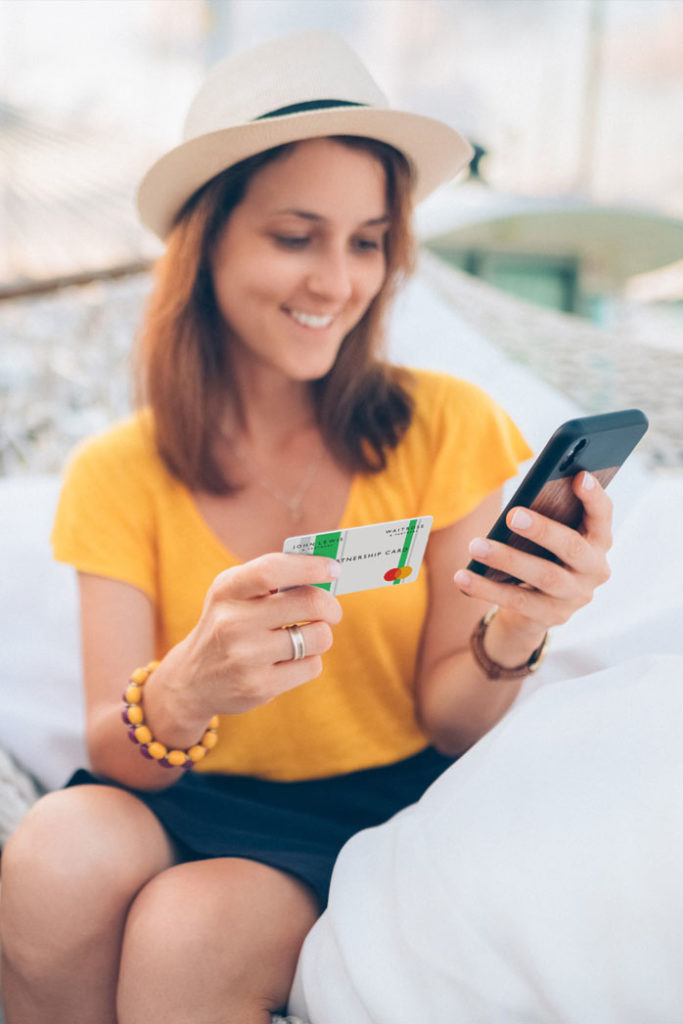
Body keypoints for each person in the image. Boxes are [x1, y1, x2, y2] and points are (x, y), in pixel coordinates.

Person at [0, 30, 613, 1024]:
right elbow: (120, 754)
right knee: (52, 851)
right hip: (180, 790)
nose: (336, 281)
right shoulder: (114, 472)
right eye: (295, 236)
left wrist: (514, 626)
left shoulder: (446, 425)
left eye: (366, 240)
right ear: (208, 244)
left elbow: (452, 718)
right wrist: (189, 680)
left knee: (185, 931)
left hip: (365, 802)